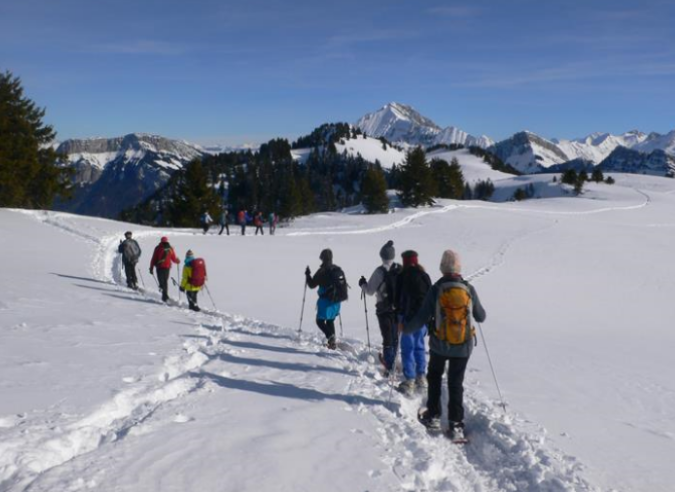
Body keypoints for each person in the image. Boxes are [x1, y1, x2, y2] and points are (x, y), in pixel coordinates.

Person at [403, 249, 486, 441]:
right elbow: (481, 316)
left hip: (440, 344)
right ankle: (456, 424)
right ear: (458, 267)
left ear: (442, 267)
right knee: (456, 383)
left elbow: (422, 316)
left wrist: (406, 329)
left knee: (434, 377)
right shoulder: (468, 288)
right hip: (463, 346)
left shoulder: (437, 288)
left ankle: (433, 415)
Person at [358, 240, 400, 375]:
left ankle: (389, 365)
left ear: (382, 256)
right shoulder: (400, 269)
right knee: (394, 336)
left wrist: (362, 284)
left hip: (383, 309)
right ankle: (393, 361)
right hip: (399, 309)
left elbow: (369, 291)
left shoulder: (380, 271)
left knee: (387, 337)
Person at [395, 250, 431, 395]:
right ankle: (421, 377)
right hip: (422, 319)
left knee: (407, 348)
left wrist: (398, 317)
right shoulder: (424, 276)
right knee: (419, 347)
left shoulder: (402, 276)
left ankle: (410, 379)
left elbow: (396, 300)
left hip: (406, 319)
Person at [305, 248, 343, 350]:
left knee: (319, 321)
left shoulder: (322, 271)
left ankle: (330, 337)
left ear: (322, 258)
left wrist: (308, 275)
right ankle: (332, 343)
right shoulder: (337, 269)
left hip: (325, 301)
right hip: (336, 302)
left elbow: (312, 285)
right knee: (330, 320)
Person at [149, 236, 180, 303]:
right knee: (164, 281)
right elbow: (173, 258)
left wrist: (151, 267)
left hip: (160, 267)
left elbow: (154, 258)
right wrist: (176, 261)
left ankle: (164, 295)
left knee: (162, 281)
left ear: (161, 241)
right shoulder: (170, 248)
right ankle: (165, 295)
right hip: (166, 267)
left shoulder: (158, 248)